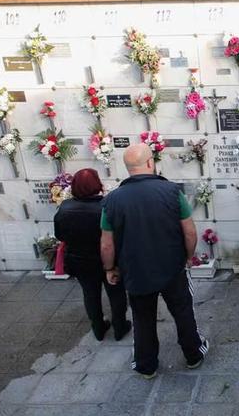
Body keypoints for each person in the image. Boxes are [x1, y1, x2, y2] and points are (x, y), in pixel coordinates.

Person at [101, 143, 208, 379]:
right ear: (150, 163)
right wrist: (189, 257)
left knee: (142, 318)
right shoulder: (171, 191)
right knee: (183, 311)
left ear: (128, 168)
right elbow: (189, 231)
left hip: (135, 270)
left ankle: (146, 365)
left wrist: (110, 268)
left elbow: (106, 243)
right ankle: (193, 355)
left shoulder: (112, 200)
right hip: (172, 268)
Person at [53, 168, 130, 341]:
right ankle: (119, 327)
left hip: (80, 261)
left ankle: (98, 328)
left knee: (90, 294)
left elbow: (60, 235)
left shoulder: (65, 208)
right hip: (107, 260)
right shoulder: (106, 206)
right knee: (116, 293)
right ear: (97, 184)